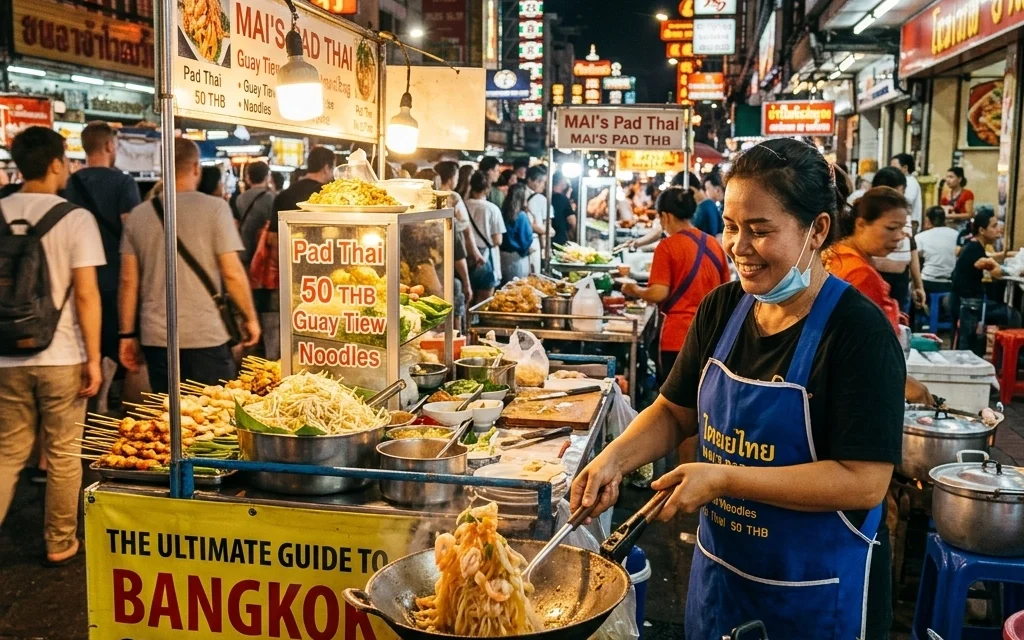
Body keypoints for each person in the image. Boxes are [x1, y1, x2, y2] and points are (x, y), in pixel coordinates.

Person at [571, 138, 906, 640]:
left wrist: (726, 479)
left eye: (760, 231)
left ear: (817, 229)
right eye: (730, 226)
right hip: (722, 583)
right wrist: (613, 459)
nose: (738, 247)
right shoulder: (722, 308)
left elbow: (863, 481)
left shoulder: (859, 334)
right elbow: (674, 411)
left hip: (816, 596)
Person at [0, 126, 104, 566]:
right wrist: (94, 359)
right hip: (62, 356)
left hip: (5, 355)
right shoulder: (75, 218)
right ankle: (60, 542)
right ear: (57, 163)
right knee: (64, 452)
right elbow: (86, 295)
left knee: (7, 452)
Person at [119, 138, 260, 394]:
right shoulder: (216, 209)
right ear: (196, 168)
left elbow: (128, 282)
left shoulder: (138, 215)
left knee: (170, 417)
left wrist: (126, 335)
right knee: (214, 417)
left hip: (158, 338)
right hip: (206, 334)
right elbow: (232, 272)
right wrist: (250, 318)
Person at [824, 186, 934, 405]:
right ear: (861, 224)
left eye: (902, 229)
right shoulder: (858, 273)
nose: (899, 238)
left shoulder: (839, 254)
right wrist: (903, 383)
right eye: (891, 228)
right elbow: (865, 348)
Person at [63, 121, 142, 409]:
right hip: (115, 278)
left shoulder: (71, 183)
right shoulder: (123, 183)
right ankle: (108, 402)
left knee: (87, 342)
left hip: (78, 279)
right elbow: (132, 232)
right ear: (110, 146)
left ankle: (91, 396)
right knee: (120, 343)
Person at [621, 187, 729, 382]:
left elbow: (658, 293)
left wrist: (633, 289)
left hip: (678, 338)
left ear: (665, 216)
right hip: (712, 339)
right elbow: (726, 292)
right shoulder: (714, 245)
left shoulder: (667, 247)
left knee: (673, 406)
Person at [951, 210, 1022, 354]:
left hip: (963, 301)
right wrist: (1012, 270)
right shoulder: (975, 250)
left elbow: (990, 259)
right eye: (994, 226)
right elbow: (995, 271)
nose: (998, 230)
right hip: (969, 304)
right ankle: (1012, 357)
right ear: (982, 230)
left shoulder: (973, 246)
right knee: (1013, 315)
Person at [234, 161, 277, 357]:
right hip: (263, 262)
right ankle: (263, 345)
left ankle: (249, 343)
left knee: (247, 300)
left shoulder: (239, 199)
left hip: (243, 257)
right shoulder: (272, 199)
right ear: (267, 176)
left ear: (248, 177)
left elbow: (234, 226)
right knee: (265, 302)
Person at [871, 167, 925, 311]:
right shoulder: (868, 214)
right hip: (875, 277)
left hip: (900, 280)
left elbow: (911, 247)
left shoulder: (902, 213)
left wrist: (918, 285)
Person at [435, 161, 477, 323]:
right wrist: (467, 284)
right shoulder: (452, 199)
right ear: (452, 178)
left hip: (434, 275)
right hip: (446, 274)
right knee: (453, 312)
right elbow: (459, 253)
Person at [465, 171, 505, 304]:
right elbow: (497, 240)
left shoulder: (462, 205)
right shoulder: (492, 209)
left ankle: (465, 325)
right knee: (483, 303)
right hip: (487, 259)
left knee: (467, 299)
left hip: (465, 258)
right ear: (487, 189)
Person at [916, 206, 959, 294]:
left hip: (927, 282)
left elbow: (913, 258)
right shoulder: (956, 235)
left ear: (928, 220)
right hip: (950, 283)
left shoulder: (920, 237)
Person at [498, 184, 534, 283]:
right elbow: (527, 239)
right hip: (518, 258)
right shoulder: (521, 216)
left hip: (502, 256)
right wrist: (527, 249)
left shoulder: (502, 213)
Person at [524, 166, 549, 274]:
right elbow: (537, 224)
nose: (543, 185)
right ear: (530, 180)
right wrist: (547, 231)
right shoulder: (539, 199)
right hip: (532, 241)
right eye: (541, 182)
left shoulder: (518, 192)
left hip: (524, 242)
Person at [890, 153, 923, 228]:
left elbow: (907, 201)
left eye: (895, 168)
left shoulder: (910, 182)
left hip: (909, 224)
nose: (892, 171)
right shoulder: (900, 181)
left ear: (905, 168)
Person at [693, 172, 724, 239]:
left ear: (717, 190)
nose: (706, 192)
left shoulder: (724, 207)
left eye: (707, 189)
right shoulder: (718, 206)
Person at [550, 171, 576, 246]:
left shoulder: (544, 196)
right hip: (559, 242)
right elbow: (572, 222)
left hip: (546, 241)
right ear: (562, 182)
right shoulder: (562, 199)